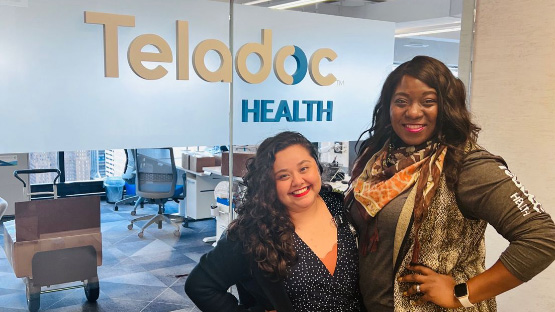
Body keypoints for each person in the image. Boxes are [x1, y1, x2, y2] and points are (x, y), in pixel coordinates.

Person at [345, 55, 555, 311]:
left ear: (446, 106)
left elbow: (542, 237)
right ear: (388, 107)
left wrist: (461, 294)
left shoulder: (466, 164)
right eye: (401, 101)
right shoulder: (376, 159)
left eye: (428, 101)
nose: (412, 111)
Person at [185, 131, 362, 311]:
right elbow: (200, 285)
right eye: (283, 176)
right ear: (268, 183)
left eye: (304, 168)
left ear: (317, 167)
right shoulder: (253, 232)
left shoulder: (343, 207)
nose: (298, 181)